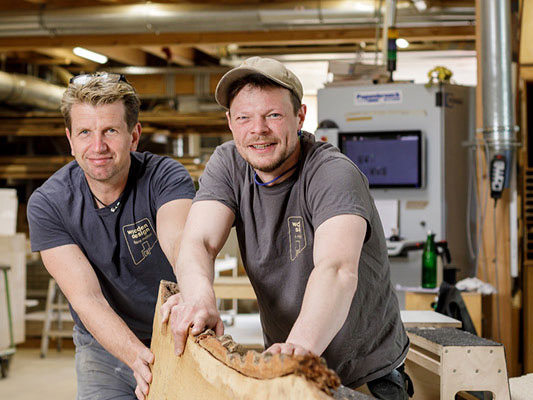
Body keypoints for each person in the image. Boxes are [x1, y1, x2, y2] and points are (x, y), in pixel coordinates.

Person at [156, 57, 410, 399]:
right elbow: (199, 240)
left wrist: (299, 352)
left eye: (272, 115)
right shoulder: (228, 164)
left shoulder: (332, 172)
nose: (257, 130)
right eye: (244, 117)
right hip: (288, 372)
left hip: (363, 377)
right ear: (230, 122)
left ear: (300, 116)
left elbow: (336, 269)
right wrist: (199, 297)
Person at [27, 72, 194, 399]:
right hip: (103, 344)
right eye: (85, 133)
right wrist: (139, 358)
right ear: (70, 139)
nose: (98, 146)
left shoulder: (165, 177)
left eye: (110, 131)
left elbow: (180, 245)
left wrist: (192, 289)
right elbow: (86, 299)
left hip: (176, 332)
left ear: (134, 136)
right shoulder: (49, 203)